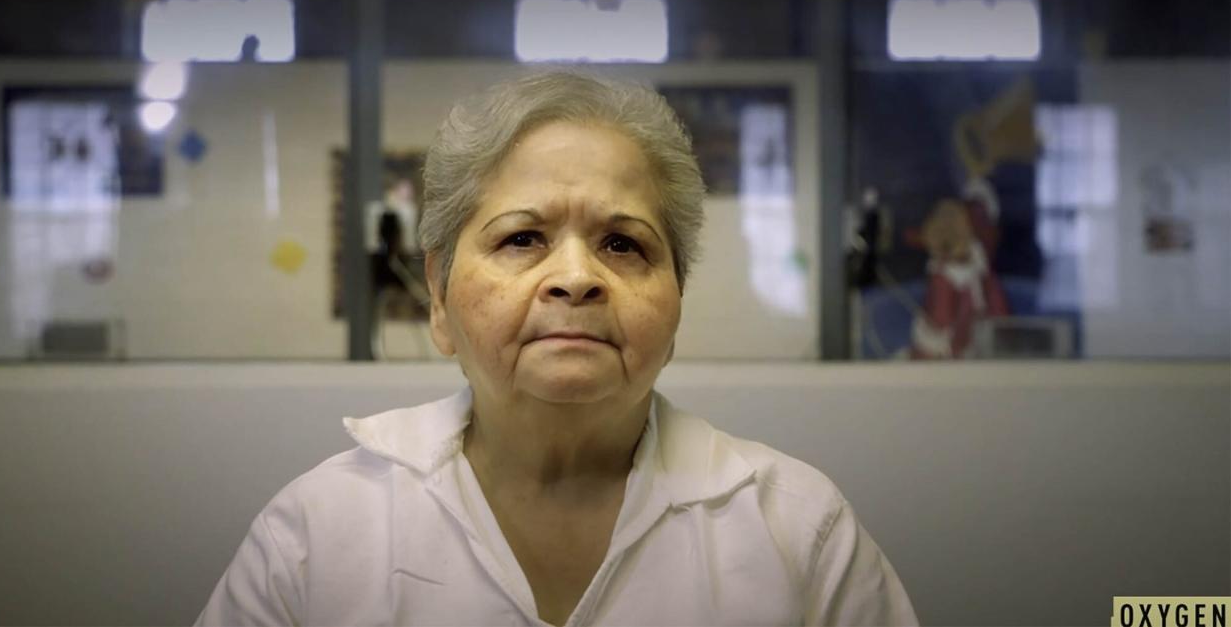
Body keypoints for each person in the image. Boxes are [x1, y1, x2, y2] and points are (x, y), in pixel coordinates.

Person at [195, 71, 918, 626]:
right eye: (522, 238)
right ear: (439, 297)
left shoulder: (798, 531)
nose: (576, 278)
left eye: (623, 244)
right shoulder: (317, 535)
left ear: (676, 302)